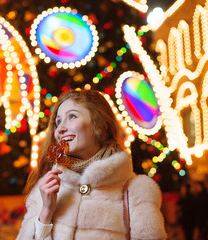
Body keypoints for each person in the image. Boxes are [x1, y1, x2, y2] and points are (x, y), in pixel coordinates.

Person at [16, 90, 167, 239]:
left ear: (100, 126)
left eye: (72, 116)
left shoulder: (137, 190)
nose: (60, 129)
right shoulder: (45, 189)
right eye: (58, 121)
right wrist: (45, 213)